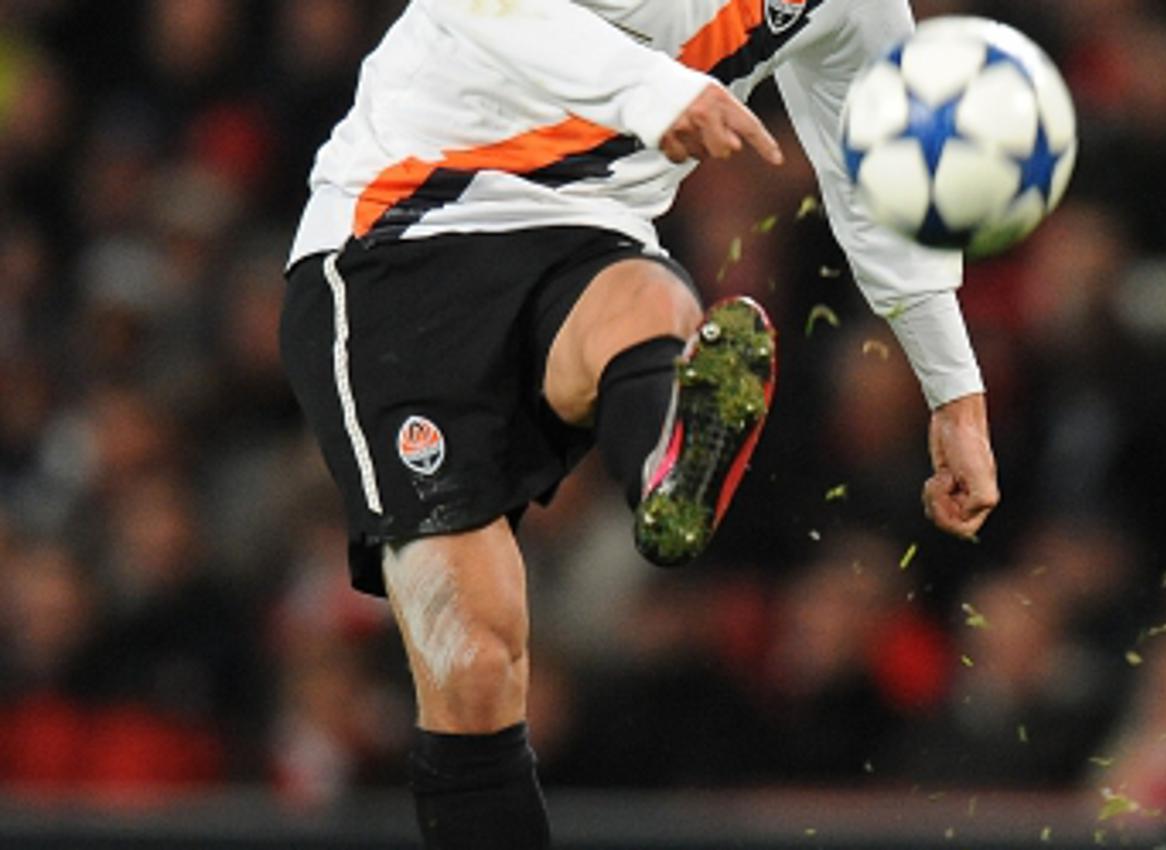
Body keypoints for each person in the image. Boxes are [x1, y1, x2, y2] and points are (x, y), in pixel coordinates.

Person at [278, 0, 999, 846]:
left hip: (589, 234)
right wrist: (650, 91)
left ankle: (666, 456)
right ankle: (661, 437)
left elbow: (882, 172)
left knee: (653, 303)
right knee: (475, 665)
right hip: (396, 240)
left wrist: (956, 394)